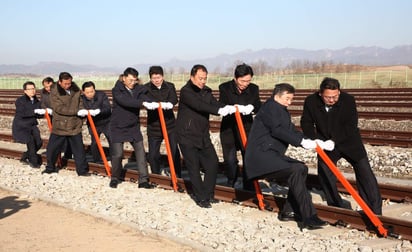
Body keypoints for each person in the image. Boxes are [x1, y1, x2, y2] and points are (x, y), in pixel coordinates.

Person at [244, 83, 328, 229]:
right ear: (277, 95)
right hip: (260, 157)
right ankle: (309, 217)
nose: (289, 102)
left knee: (301, 168)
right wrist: (301, 141)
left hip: (270, 154)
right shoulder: (270, 108)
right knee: (296, 168)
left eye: (291, 99)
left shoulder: (280, 110)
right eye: (287, 98)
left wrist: (310, 141)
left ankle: (288, 211)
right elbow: (277, 130)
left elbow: (291, 131)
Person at [300, 77, 382, 215]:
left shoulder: (348, 100)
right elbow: (306, 122)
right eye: (328, 97)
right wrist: (315, 141)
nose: (332, 100)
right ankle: (336, 206)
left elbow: (351, 125)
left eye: (335, 96)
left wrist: (335, 140)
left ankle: (374, 208)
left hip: (349, 142)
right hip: (325, 143)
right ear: (320, 94)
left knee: (365, 173)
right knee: (325, 174)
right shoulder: (311, 101)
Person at [176, 64, 235, 208]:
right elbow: (200, 106)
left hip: (202, 135)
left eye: (205, 78)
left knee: (213, 163)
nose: (203, 81)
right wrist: (219, 111)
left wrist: (231, 107)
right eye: (200, 78)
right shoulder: (186, 91)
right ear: (192, 77)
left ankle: (208, 194)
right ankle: (201, 198)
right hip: (186, 135)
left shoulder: (207, 91)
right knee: (194, 168)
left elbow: (214, 103)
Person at [109, 67, 154, 189]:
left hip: (133, 126)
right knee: (118, 154)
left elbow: (146, 96)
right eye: (130, 80)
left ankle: (143, 180)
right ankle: (114, 178)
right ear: (124, 78)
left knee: (141, 153)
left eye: (134, 80)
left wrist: (152, 102)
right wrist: (142, 103)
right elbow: (125, 101)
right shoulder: (117, 90)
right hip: (118, 126)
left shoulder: (138, 88)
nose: (132, 83)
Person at [219, 63, 261, 189]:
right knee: (230, 160)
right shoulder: (224, 87)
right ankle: (232, 181)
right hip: (229, 128)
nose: (245, 84)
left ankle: (248, 185)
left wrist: (252, 107)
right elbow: (221, 104)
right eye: (242, 81)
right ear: (236, 78)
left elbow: (258, 104)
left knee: (248, 156)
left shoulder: (254, 88)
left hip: (247, 127)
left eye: (248, 81)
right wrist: (232, 108)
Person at [42, 72, 89, 176]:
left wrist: (82, 110)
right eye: (65, 83)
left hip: (75, 124)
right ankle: (50, 168)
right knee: (52, 148)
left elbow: (80, 102)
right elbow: (58, 108)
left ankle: (82, 171)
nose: (68, 85)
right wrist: (75, 111)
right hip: (60, 125)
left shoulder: (75, 89)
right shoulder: (54, 91)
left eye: (69, 83)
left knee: (79, 149)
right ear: (60, 82)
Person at [143, 66, 181, 177]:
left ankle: (177, 174)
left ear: (162, 77)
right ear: (150, 78)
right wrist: (147, 104)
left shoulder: (170, 86)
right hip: (154, 126)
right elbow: (143, 99)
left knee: (174, 151)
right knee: (153, 154)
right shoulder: (145, 88)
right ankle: (155, 175)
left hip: (170, 125)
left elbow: (174, 99)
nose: (156, 80)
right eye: (154, 78)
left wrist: (169, 104)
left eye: (158, 77)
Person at [40, 76, 73, 166]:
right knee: (56, 136)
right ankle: (56, 157)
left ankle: (68, 154)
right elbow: (42, 103)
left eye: (49, 86)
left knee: (67, 135)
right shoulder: (43, 92)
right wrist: (46, 109)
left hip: (63, 116)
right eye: (45, 87)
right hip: (52, 117)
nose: (47, 89)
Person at [12, 81, 44, 168]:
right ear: (25, 91)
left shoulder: (37, 101)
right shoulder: (20, 100)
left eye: (33, 88)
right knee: (31, 142)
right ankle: (34, 163)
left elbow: (39, 115)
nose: (32, 91)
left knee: (39, 142)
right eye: (30, 89)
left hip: (32, 125)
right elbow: (23, 113)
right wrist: (34, 111)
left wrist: (44, 113)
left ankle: (25, 156)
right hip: (22, 125)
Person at [80, 81, 112, 163]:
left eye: (92, 91)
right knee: (94, 142)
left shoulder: (101, 95)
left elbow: (107, 108)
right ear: (83, 92)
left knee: (111, 139)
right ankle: (97, 160)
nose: (90, 94)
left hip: (106, 122)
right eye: (87, 92)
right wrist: (82, 113)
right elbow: (79, 110)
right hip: (93, 123)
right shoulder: (81, 99)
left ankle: (114, 158)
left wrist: (99, 111)